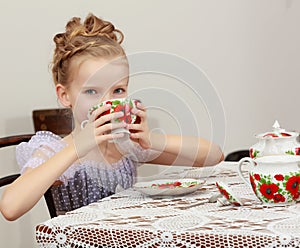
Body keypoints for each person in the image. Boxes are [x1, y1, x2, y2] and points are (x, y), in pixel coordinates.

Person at [0, 13, 224, 221]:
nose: (106, 102)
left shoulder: (124, 146)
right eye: (91, 91)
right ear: (65, 95)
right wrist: (78, 147)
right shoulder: (55, 150)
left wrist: (151, 140)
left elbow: (213, 156)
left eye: (118, 91)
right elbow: (10, 207)